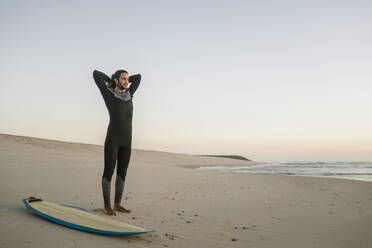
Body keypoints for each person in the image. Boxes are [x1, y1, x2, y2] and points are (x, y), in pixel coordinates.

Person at [92, 69, 141, 215]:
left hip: (127, 140)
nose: (127, 81)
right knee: (109, 171)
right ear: (116, 80)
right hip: (113, 139)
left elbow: (138, 77)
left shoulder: (129, 94)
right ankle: (107, 205)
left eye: (127, 79)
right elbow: (96, 74)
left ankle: (118, 203)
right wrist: (111, 81)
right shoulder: (108, 94)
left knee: (122, 172)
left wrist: (124, 80)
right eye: (123, 79)